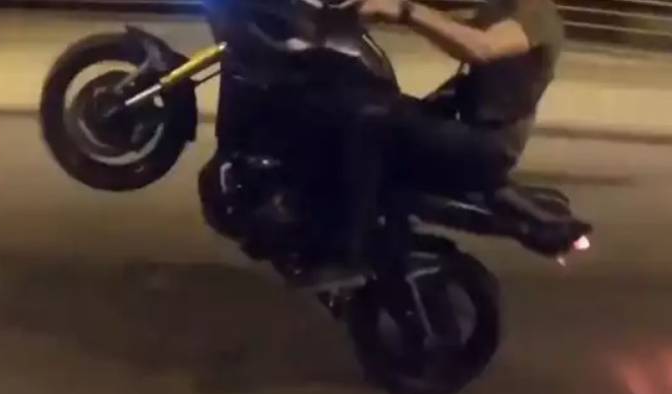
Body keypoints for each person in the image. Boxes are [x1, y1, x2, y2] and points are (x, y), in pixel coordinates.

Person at [205, 0, 569, 289]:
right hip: (466, 125)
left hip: (484, 143)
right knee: (352, 102)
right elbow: (455, 25)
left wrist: (405, 11)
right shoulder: (502, 7)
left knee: (368, 119)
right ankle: (310, 218)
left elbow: (481, 47)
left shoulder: (536, 12)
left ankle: (349, 253)